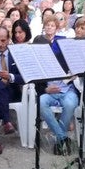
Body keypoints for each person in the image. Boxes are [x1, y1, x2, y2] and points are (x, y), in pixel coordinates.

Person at [33, 14, 78, 155]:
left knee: (70, 104)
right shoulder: (38, 44)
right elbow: (35, 76)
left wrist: (73, 74)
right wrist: (46, 88)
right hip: (49, 90)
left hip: (66, 88)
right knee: (41, 102)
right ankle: (63, 138)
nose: (49, 28)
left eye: (52, 25)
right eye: (47, 25)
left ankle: (60, 138)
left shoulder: (64, 44)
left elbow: (74, 66)